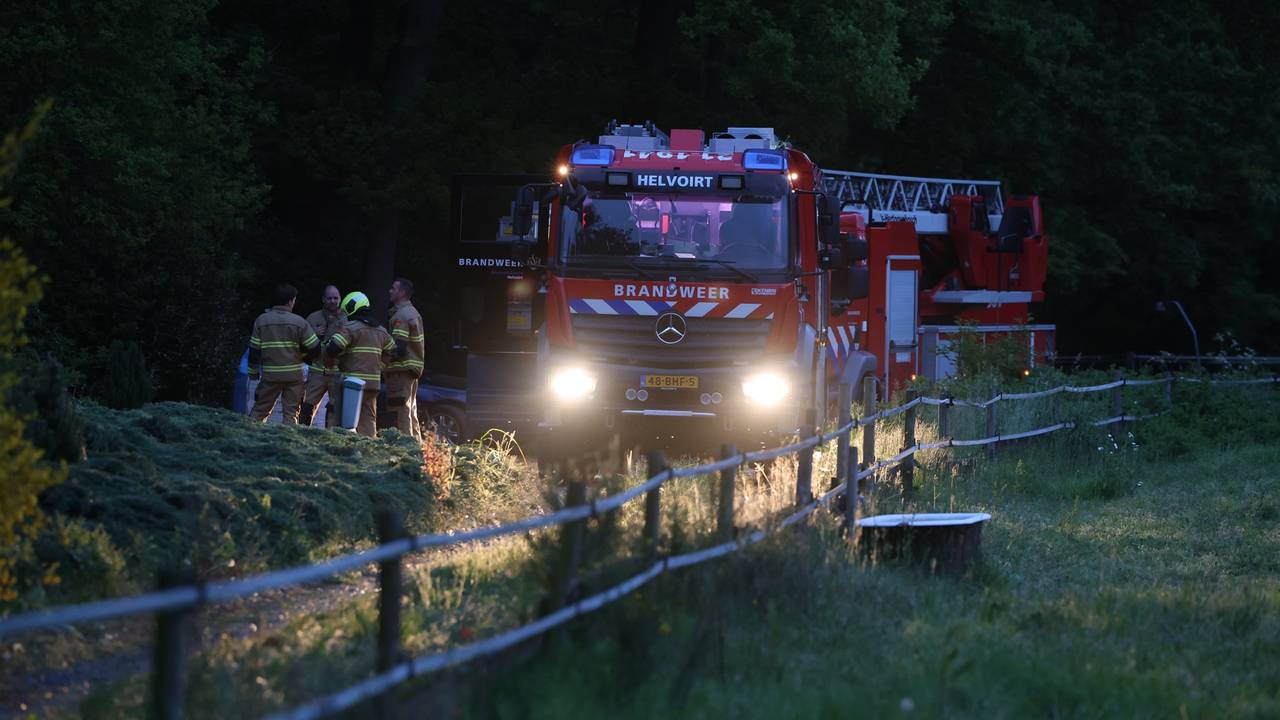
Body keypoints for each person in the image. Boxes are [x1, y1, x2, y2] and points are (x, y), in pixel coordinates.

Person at [325, 291, 395, 437]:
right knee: (368, 419)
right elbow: (394, 353)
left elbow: (333, 348)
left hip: (352, 383)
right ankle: (368, 453)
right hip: (372, 383)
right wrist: (379, 367)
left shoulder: (350, 327)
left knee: (345, 421)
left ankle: (343, 452)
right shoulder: (382, 331)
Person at [247, 283, 320, 425]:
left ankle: (250, 438)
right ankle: (288, 443)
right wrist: (304, 358)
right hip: (294, 377)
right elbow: (315, 347)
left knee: (259, 411)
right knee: (291, 414)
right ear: (290, 301)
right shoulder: (299, 322)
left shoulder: (261, 320)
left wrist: (253, 372)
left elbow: (254, 350)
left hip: (270, 376)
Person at [385, 277, 425, 438]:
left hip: (401, 371)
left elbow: (398, 349)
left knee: (401, 413)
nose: (390, 291)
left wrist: (382, 358)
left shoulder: (401, 316)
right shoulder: (413, 312)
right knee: (410, 411)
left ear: (401, 293)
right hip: (411, 370)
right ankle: (416, 450)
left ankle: (405, 451)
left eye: (393, 288)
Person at [301, 285, 346, 426]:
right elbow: (300, 342)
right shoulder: (313, 318)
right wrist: (313, 333)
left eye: (336, 298)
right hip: (317, 371)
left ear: (340, 299)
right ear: (323, 300)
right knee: (306, 407)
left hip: (337, 372)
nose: (333, 301)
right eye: (329, 298)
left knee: (334, 409)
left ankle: (330, 440)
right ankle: (301, 435)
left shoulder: (346, 319)